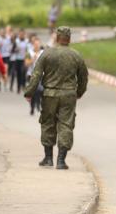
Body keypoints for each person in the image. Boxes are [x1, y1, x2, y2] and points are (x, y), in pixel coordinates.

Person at [24, 26, 88, 169]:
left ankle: (48, 158)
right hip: (68, 95)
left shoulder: (46, 54)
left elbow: (36, 75)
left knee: (48, 123)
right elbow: (83, 77)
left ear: (57, 38)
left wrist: (29, 92)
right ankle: (61, 160)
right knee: (66, 124)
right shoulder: (76, 55)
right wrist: (79, 92)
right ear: (69, 39)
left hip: (49, 95)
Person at [25, 37, 44, 115]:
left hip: (41, 75)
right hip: (31, 75)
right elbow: (26, 64)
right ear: (33, 45)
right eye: (35, 44)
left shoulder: (43, 52)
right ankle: (32, 108)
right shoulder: (29, 53)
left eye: (38, 44)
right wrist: (33, 59)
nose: (37, 46)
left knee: (40, 91)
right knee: (33, 92)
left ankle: (39, 104)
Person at [15, 29, 28, 93]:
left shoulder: (26, 41)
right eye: (20, 34)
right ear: (19, 34)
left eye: (23, 34)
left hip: (24, 59)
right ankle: (18, 87)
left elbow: (28, 49)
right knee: (18, 74)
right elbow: (12, 50)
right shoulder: (16, 41)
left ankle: (23, 85)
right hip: (17, 59)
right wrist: (16, 49)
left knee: (23, 72)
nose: (21, 35)